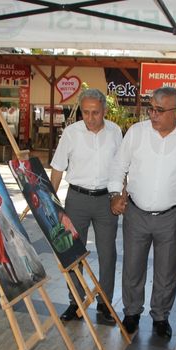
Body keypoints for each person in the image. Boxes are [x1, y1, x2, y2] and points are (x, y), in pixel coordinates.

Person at [108, 86, 176, 338]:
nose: (152, 115)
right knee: (132, 267)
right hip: (136, 213)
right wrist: (115, 194)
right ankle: (131, 313)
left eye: (159, 110)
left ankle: (161, 317)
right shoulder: (136, 133)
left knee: (167, 270)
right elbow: (119, 165)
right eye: (151, 108)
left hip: (172, 216)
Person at [50, 88, 122, 324]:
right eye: (86, 112)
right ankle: (76, 302)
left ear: (105, 111)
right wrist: (52, 203)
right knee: (73, 254)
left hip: (106, 200)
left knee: (107, 253)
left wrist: (121, 195)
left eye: (96, 113)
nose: (90, 118)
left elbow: (122, 167)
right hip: (77, 199)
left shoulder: (115, 132)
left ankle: (105, 304)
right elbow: (58, 168)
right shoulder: (71, 133)